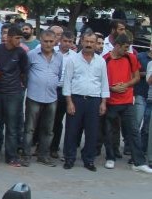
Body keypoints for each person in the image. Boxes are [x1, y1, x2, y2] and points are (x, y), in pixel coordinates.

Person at [103, 34, 152, 173]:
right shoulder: (105, 59)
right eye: (125, 47)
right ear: (117, 45)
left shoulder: (131, 58)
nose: (127, 50)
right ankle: (110, 157)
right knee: (109, 131)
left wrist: (126, 85)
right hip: (110, 101)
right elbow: (101, 80)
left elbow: (136, 77)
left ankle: (139, 162)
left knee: (133, 131)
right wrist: (112, 88)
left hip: (127, 100)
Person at [62, 32, 109, 171]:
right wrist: (69, 102)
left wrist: (103, 102)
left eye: (92, 42)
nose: (89, 44)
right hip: (76, 99)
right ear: (81, 41)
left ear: (96, 44)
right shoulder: (73, 60)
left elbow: (104, 83)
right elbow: (67, 82)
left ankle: (89, 159)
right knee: (72, 131)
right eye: (86, 41)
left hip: (94, 100)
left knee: (92, 132)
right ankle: (69, 158)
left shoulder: (101, 61)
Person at [0, 24, 29, 167]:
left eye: (21, 38)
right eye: (17, 38)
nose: (19, 41)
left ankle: (11, 156)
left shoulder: (21, 53)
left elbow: (24, 72)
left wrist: (21, 87)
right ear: (9, 37)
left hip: (14, 93)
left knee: (12, 127)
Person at [23, 30, 62, 167]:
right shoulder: (32, 55)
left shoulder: (59, 57)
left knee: (48, 130)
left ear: (55, 42)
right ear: (41, 40)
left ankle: (43, 156)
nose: (48, 44)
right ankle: (26, 156)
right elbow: (25, 73)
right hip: (34, 96)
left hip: (51, 98)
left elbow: (59, 74)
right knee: (29, 128)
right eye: (45, 41)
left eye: (51, 41)